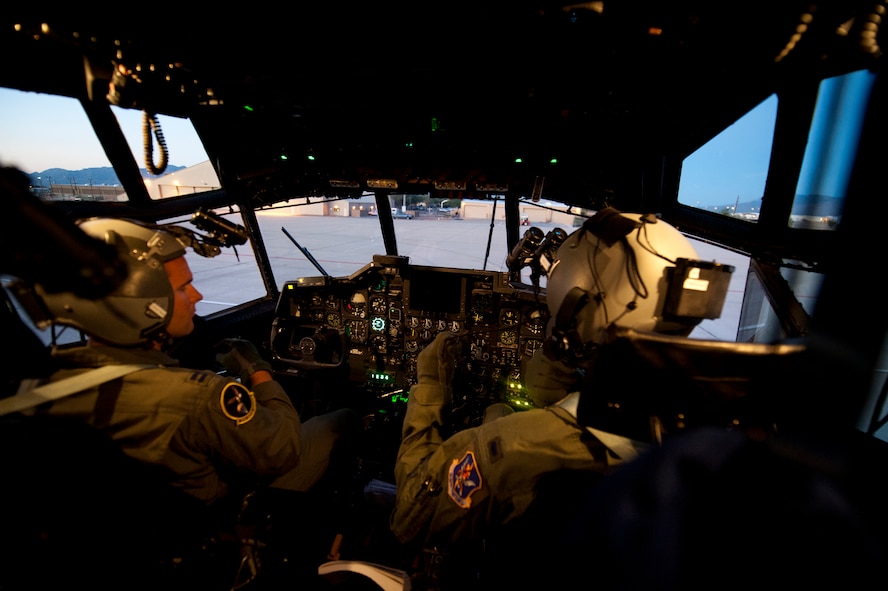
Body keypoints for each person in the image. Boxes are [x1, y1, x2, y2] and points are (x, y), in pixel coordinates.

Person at [390, 208, 715, 584]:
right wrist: (566, 344)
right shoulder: (704, 428)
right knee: (498, 408)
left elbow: (408, 517)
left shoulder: (509, 447)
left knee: (496, 416)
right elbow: (553, 386)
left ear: (575, 293)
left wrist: (430, 382)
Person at [11, 217, 361, 508]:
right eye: (182, 288)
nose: (197, 296)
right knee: (342, 420)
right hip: (222, 519)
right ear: (140, 304)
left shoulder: (35, 386)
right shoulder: (198, 396)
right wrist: (258, 371)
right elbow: (283, 450)